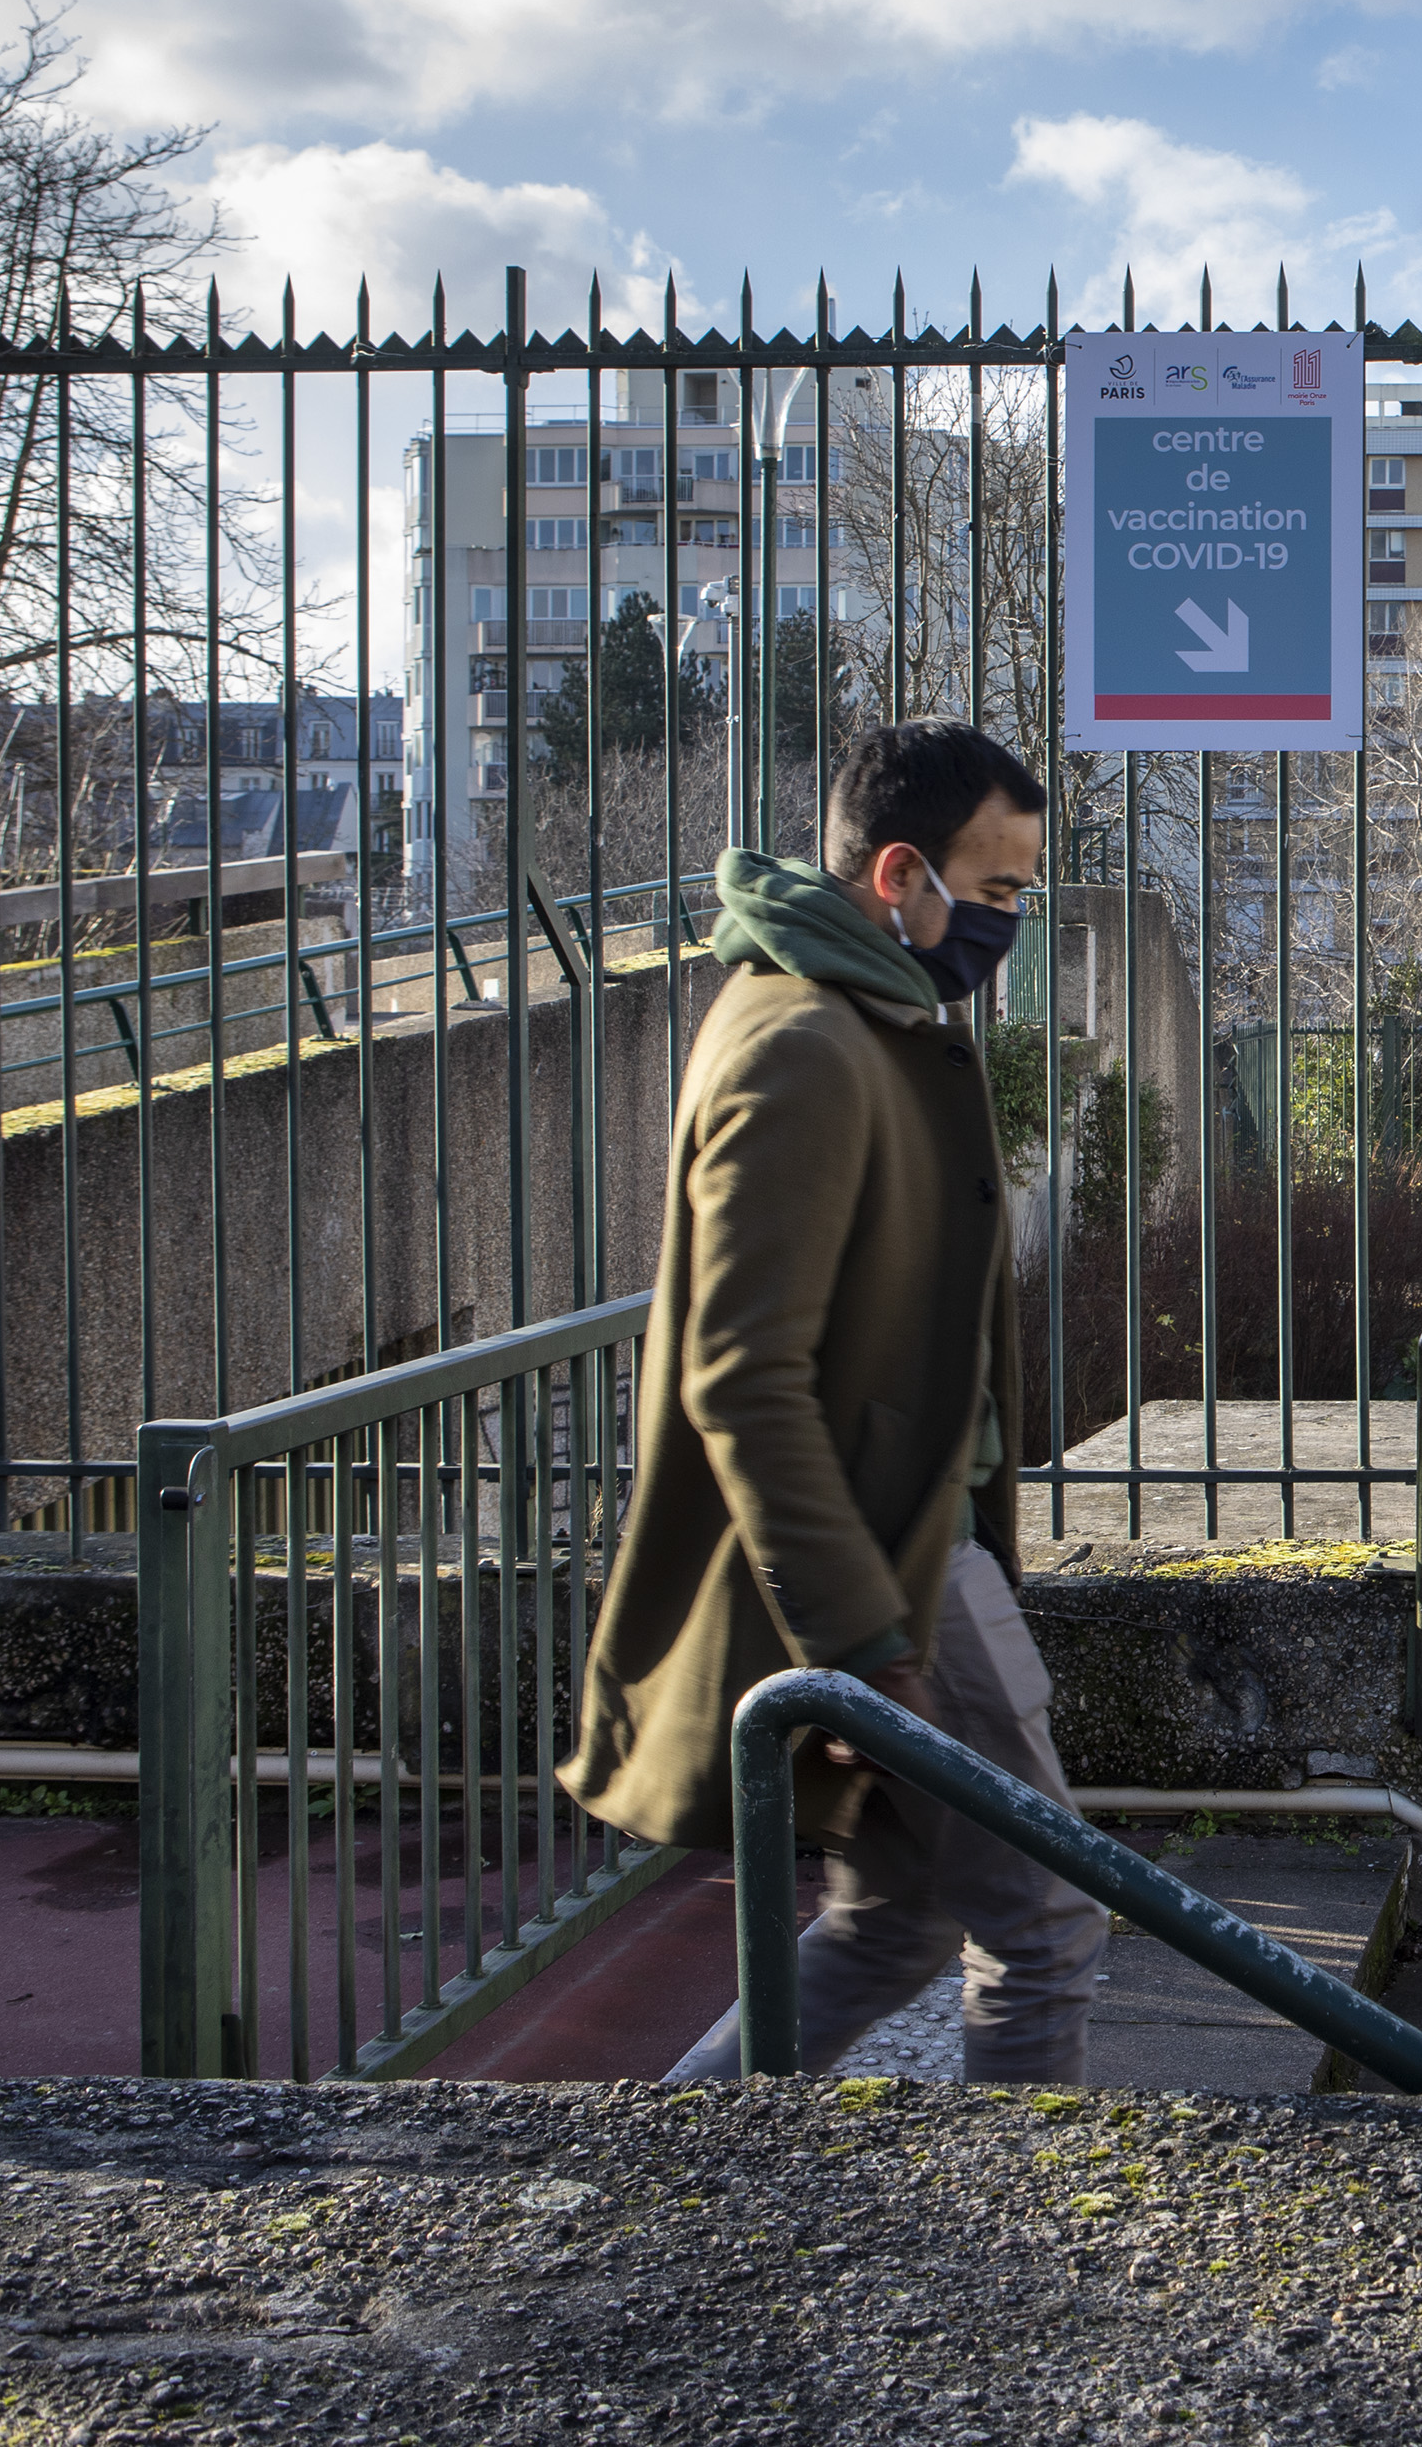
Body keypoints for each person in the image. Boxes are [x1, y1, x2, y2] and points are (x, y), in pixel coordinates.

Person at [562, 720, 1109, 2084]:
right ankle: (1008, 2269)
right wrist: (868, 1642)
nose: (1011, 924)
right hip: (897, 1579)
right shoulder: (804, 1043)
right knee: (1043, 1918)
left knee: (900, 1917)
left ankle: (666, 2186)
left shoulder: (868, 1012)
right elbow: (745, 1374)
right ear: (898, 877)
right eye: (993, 894)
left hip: (917, 1554)